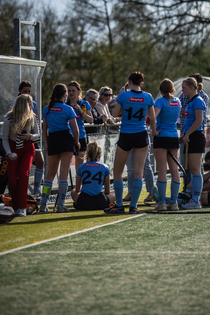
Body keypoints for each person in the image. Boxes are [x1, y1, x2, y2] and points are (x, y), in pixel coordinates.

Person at [104, 71, 156, 214]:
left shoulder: (124, 95)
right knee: (139, 173)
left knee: (118, 172)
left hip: (126, 134)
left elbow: (114, 115)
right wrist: (155, 132)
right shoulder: (148, 96)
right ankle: (133, 206)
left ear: (129, 82)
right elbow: (152, 118)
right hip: (141, 134)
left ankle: (120, 205)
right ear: (141, 83)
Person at [40, 83, 80, 213]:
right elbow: (75, 129)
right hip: (66, 140)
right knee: (63, 175)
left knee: (49, 176)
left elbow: (44, 129)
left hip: (53, 140)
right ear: (64, 95)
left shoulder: (47, 109)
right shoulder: (68, 109)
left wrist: (47, 143)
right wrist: (77, 142)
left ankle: (43, 203)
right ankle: (60, 204)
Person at [2, 94, 40, 217]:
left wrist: (30, 136)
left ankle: (22, 207)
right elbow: (5, 139)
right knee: (12, 179)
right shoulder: (9, 118)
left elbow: (37, 135)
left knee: (24, 174)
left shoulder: (32, 117)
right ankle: (15, 205)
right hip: (13, 150)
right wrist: (9, 153)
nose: (32, 106)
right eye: (30, 104)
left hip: (28, 149)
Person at [153, 78, 182, 212]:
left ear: (160, 90)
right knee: (174, 170)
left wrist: (154, 131)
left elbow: (153, 117)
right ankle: (174, 202)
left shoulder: (160, 101)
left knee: (162, 170)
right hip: (173, 136)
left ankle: (163, 202)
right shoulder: (177, 101)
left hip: (162, 136)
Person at [179, 77, 206, 209]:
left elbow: (199, 121)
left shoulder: (198, 101)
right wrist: (184, 135)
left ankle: (196, 200)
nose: (182, 90)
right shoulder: (191, 102)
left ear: (191, 87)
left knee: (196, 171)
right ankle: (193, 198)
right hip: (190, 136)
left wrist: (188, 133)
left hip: (196, 136)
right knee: (192, 170)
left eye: (184, 87)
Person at [17, 81, 44, 196]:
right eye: (25, 91)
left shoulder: (33, 103)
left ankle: (37, 189)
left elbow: (36, 119)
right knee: (20, 167)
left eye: (29, 91)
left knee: (40, 162)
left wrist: (32, 132)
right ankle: (21, 190)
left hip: (32, 137)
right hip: (20, 138)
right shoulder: (16, 103)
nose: (27, 93)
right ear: (19, 92)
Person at [72, 141, 116, 210]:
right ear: (99, 155)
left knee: (73, 191)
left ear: (87, 155)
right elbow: (107, 191)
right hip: (101, 202)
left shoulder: (81, 167)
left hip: (83, 202)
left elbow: (77, 189)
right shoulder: (105, 167)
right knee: (115, 193)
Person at [67, 81, 93, 169]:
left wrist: (80, 110)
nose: (71, 93)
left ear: (78, 92)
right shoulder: (65, 105)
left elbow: (90, 120)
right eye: (69, 91)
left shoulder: (84, 104)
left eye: (73, 91)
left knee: (79, 166)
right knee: (66, 164)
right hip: (68, 136)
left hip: (81, 136)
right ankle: (64, 182)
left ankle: (79, 182)